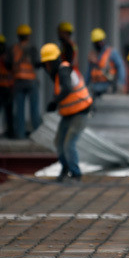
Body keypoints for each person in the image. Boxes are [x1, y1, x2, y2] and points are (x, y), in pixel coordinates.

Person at [40, 43, 93, 182]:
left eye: (46, 64)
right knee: (59, 142)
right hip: (69, 113)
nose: (46, 67)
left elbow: (67, 88)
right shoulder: (58, 73)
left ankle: (76, 174)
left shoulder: (63, 71)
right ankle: (65, 168)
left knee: (69, 143)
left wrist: (54, 102)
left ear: (51, 62)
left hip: (80, 111)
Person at [11, 24, 41, 138]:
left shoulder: (14, 48)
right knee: (34, 109)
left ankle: (20, 134)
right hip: (31, 81)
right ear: (28, 36)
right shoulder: (32, 48)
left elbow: (9, 64)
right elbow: (36, 64)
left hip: (18, 81)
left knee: (19, 109)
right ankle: (38, 134)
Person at [86, 27, 125, 97]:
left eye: (100, 41)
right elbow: (89, 71)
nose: (99, 44)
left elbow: (120, 67)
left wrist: (120, 83)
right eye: (96, 42)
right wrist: (85, 85)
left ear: (103, 40)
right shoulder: (93, 55)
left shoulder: (111, 53)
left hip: (108, 87)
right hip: (94, 88)